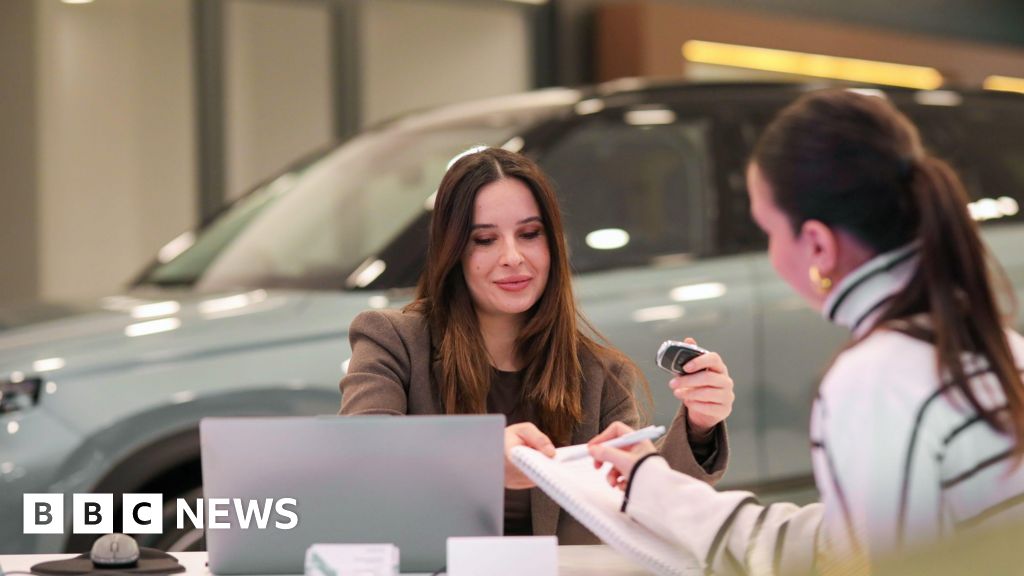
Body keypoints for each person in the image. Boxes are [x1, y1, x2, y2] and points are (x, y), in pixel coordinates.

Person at [587, 89, 1024, 573]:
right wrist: (658, 489)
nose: (769, 256)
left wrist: (660, 491)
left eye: (769, 232)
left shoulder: (878, 376)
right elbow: (846, 541)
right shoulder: (991, 345)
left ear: (816, 243)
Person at [339, 147, 735, 543]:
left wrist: (700, 426)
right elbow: (363, 455)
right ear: (453, 250)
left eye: (529, 234)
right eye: (484, 239)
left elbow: (644, 507)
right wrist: (481, 458)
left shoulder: (600, 376)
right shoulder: (392, 340)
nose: (512, 257)